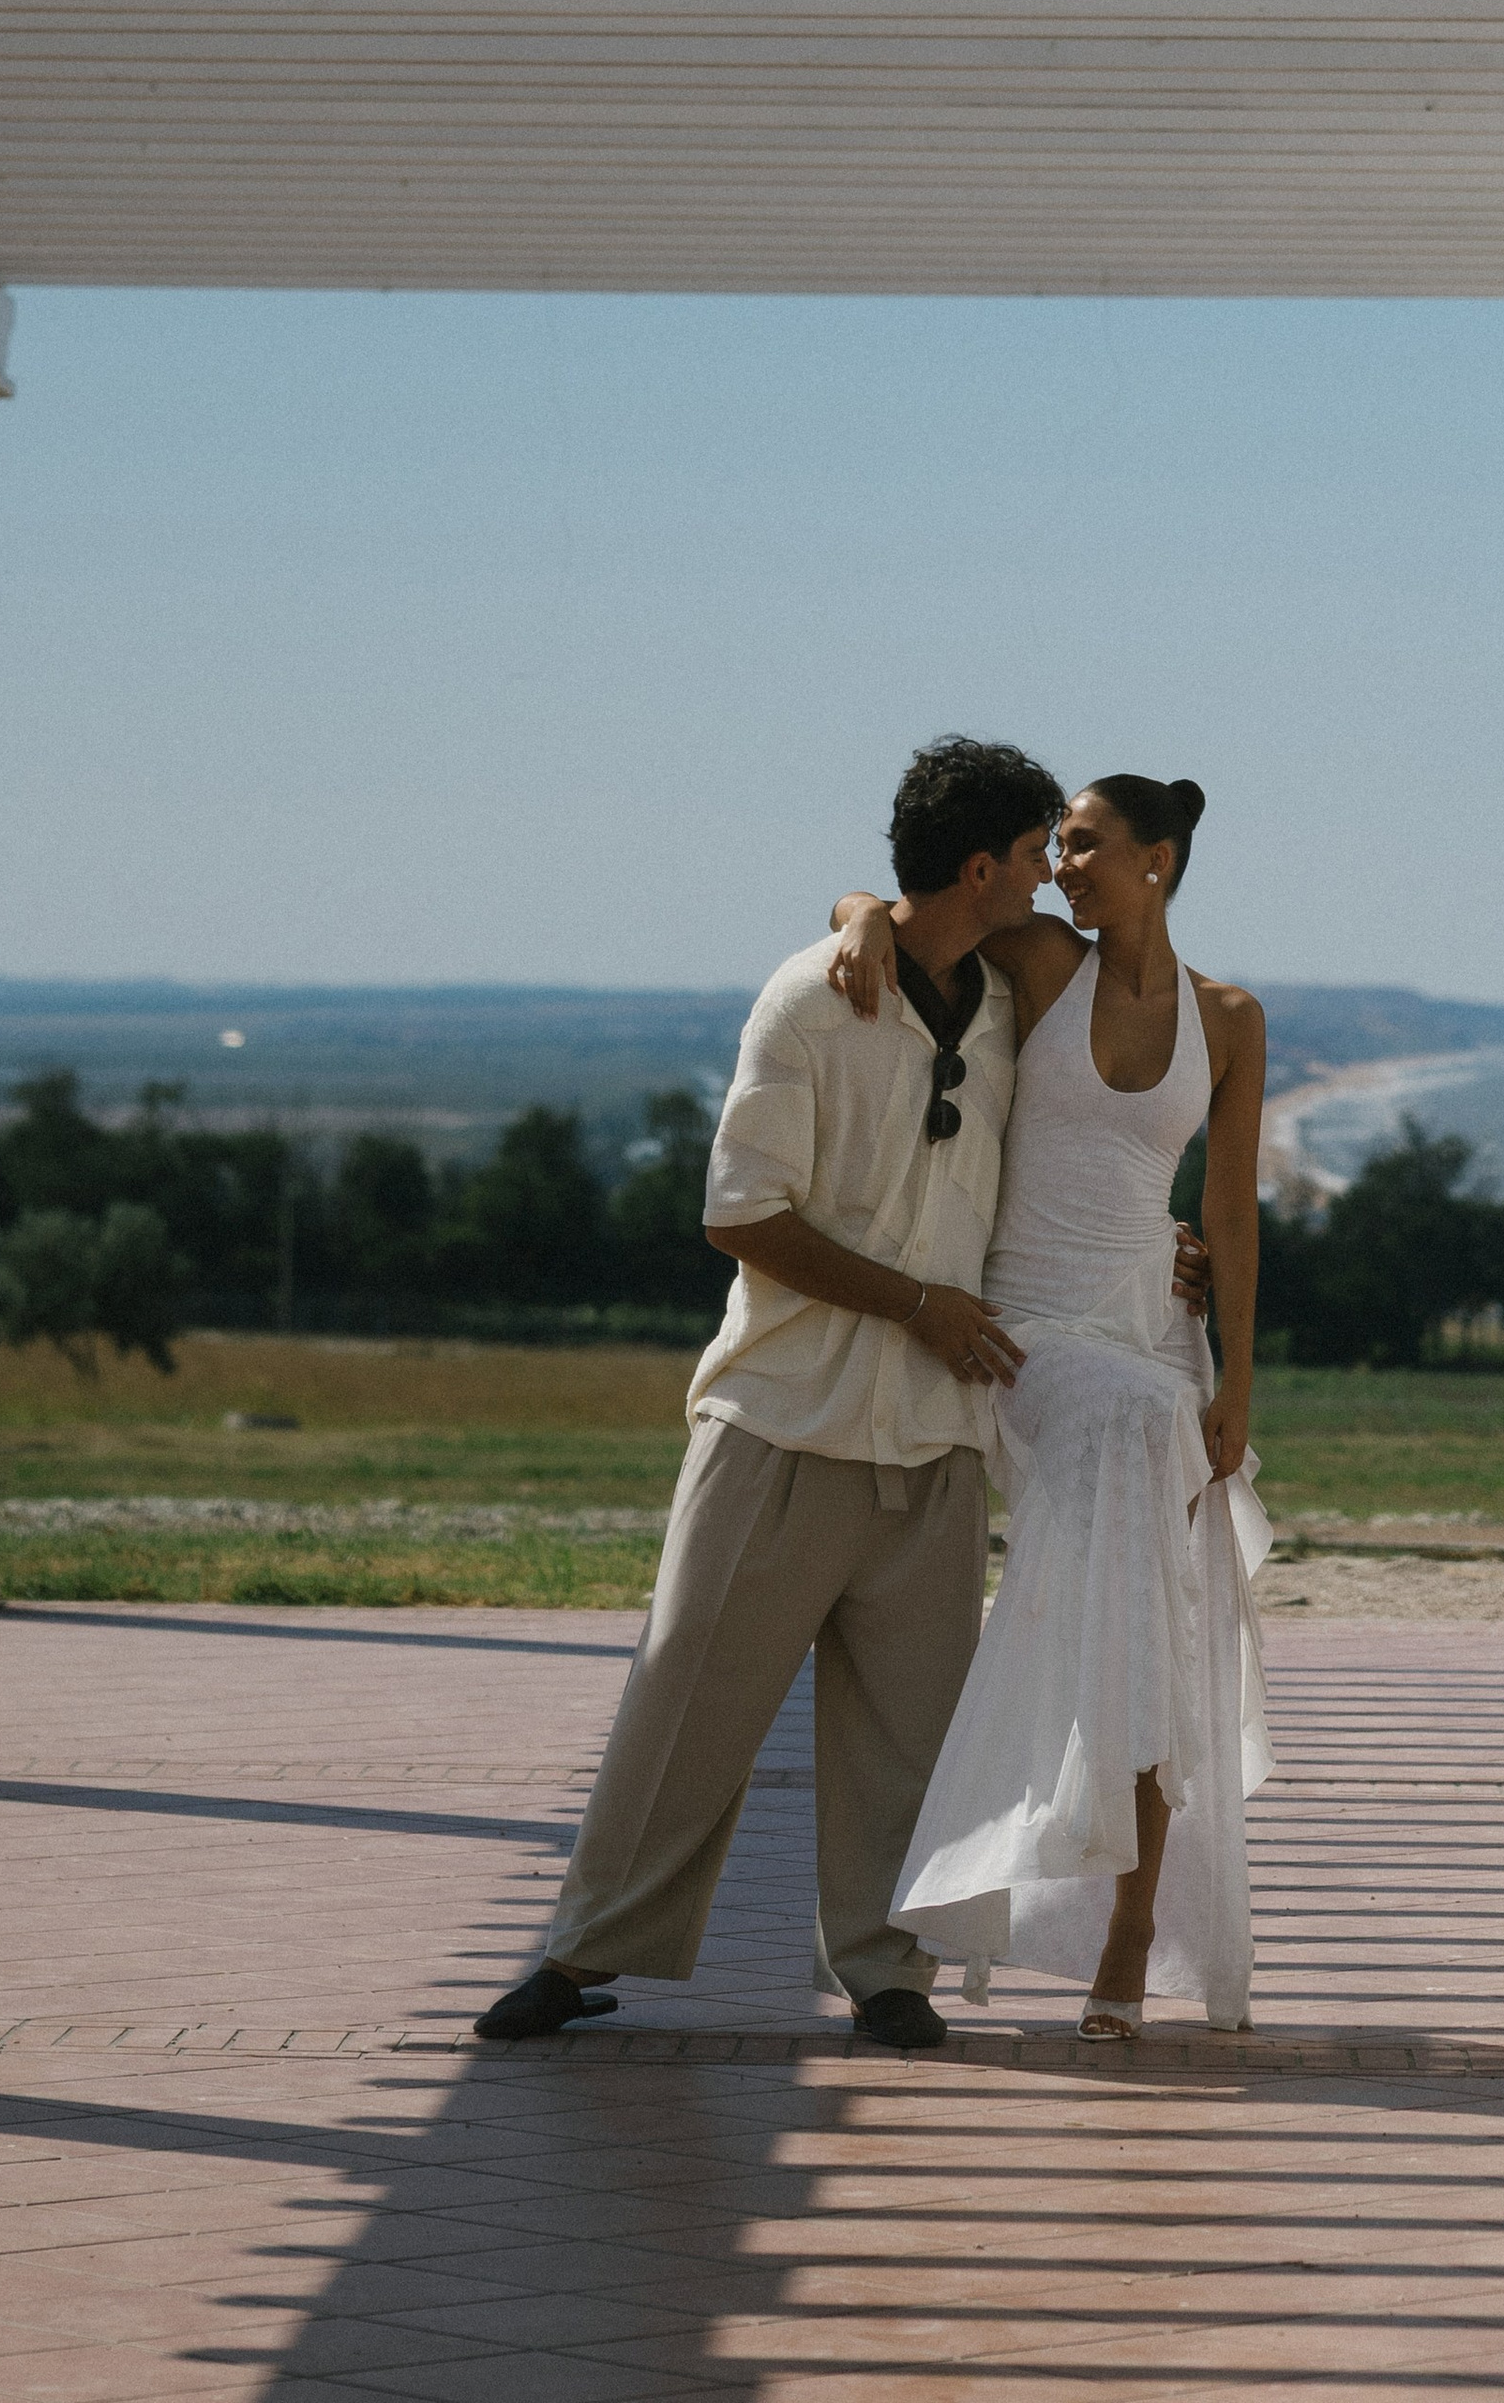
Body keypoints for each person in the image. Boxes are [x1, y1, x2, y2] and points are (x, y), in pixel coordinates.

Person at [474, 734, 1064, 2055]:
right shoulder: (810, 999)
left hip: (931, 1438)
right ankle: (583, 1953)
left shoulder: (1017, 993)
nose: (1049, 881)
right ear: (982, 864)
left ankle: (886, 1971)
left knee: (911, 1737)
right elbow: (742, 1218)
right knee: (685, 1698)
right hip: (780, 1420)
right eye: (1034, 857)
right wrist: (920, 1306)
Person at [827, 773, 1272, 2036]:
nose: (1058, 866)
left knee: (1156, 1591)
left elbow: (1229, 1210)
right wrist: (857, 912)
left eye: (1082, 846)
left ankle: (1133, 1921)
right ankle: (1079, 1892)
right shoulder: (1035, 958)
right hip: (1029, 1325)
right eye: (1057, 846)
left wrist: (1236, 1381)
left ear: (1160, 859)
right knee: (1139, 1450)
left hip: (1152, 1329)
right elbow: (910, 913)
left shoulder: (1228, 1019)